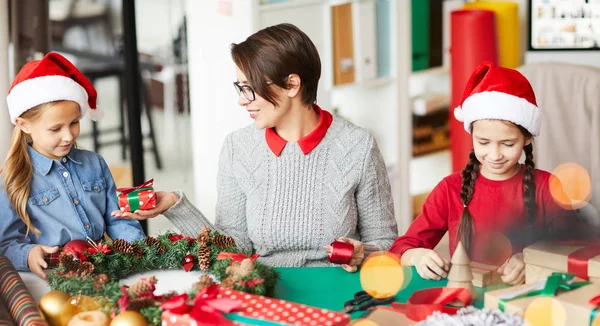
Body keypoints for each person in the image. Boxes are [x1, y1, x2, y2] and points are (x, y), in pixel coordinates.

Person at [113, 23, 398, 270]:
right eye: (239, 88)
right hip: (265, 286)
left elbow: (387, 243)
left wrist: (363, 253)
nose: (242, 100)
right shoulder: (239, 148)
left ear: (292, 85)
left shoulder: (357, 146)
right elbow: (231, 250)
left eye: (249, 88)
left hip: (338, 289)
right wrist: (174, 206)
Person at [390, 61, 575, 285]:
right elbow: (401, 248)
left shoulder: (548, 186)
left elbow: (572, 248)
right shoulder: (450, 189)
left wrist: (532, 260)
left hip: (528, 302)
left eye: (507, 144)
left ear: (527, 139)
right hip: (466, 301)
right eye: (484, 142)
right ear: (472, 134)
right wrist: (416, 256)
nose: (494, 154)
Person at [0, 52, 145, 279]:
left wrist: (134, 249)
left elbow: (118, 218)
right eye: (56, 129)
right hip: (52, 277)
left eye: (75, 123)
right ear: (23, 124)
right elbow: (6, 243)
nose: (68, 136)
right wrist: (28, 254)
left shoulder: (95, 164)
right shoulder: (11, 179)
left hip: (102, 270)